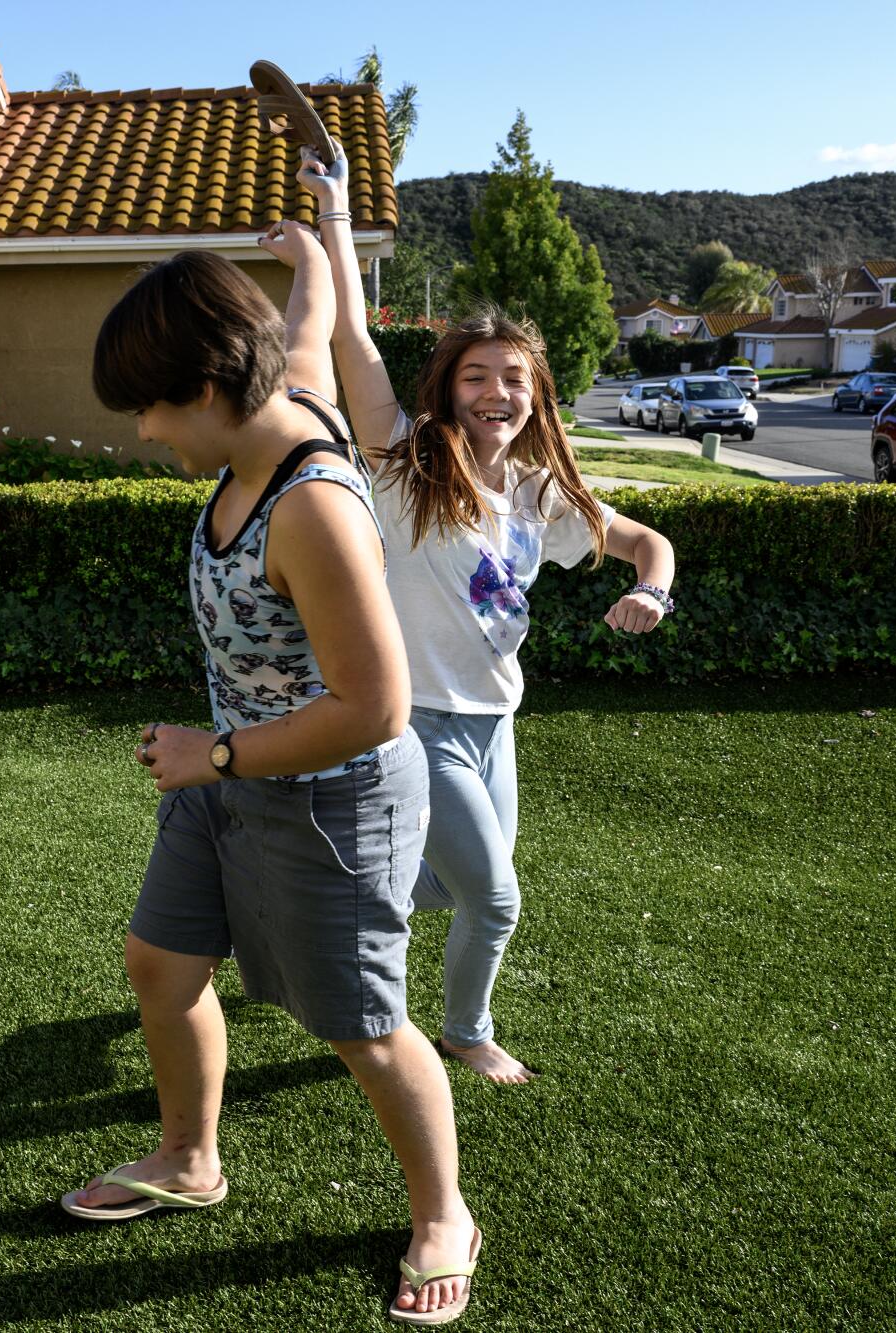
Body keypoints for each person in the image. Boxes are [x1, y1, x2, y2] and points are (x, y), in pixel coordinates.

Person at [62, 243, 481, 1324]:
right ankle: (188, 1156)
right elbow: (304, 325)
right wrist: (316, 243)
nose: (143, 432)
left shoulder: (310, 506)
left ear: (203, 388)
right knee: (159, 960)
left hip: (329, 797)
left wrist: (214, 753)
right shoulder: (279, 394)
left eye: (148, 410)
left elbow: (375, 705)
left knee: (364, 1027)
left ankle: (443, 1214)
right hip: (229, 769)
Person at [275, 149, 678, 1086]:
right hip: (413, 720)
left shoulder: (540, 493)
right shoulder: (409, 466)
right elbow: (357, 354)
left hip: (495, 721)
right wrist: (334, 219)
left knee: (425, 885)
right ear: (448, 389)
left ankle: (303, 922)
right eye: (476, 377)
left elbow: (644, 542)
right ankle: (464, 1030)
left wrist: (651, 589)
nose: (495, 393)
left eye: (513, 380)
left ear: (536, 397)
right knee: (493, 900)